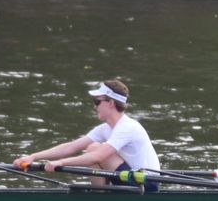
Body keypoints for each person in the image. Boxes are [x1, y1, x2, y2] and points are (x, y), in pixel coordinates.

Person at [13, 78, 161, 188]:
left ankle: (101, 198)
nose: (94, 106)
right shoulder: (105, 129)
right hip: (129, 178)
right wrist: (33, 156)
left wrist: (60, 163)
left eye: (97, 102)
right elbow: (70, 147)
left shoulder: (128, 127)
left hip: (146, 183)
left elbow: (98, 156)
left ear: (111, 103)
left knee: (94, 150)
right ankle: (99, 195)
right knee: (92, 148)